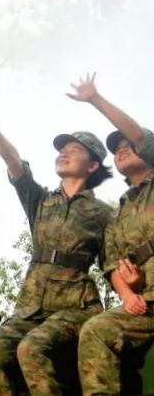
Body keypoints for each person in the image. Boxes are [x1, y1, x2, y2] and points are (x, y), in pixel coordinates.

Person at [0, 81, 113, 395]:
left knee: (31, 349)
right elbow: (13, 162)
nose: (64, 153)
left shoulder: (103, 214)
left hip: (74, 309)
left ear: (92, 165)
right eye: (62, 150)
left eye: (74, 150)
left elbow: (113, 265)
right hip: (30, 307)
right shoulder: (41, 201)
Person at [68, 73, 154, 395]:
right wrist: (128, 293)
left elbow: (142, 137)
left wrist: (95, 100)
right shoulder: (116, 215)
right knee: (96, 330)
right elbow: (113, 264)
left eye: (127, 145)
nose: (121, 150)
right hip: (147, 303)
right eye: (115, 149)